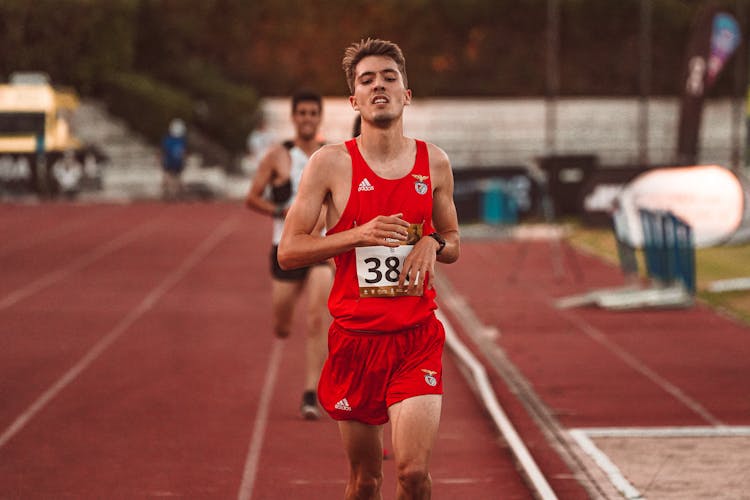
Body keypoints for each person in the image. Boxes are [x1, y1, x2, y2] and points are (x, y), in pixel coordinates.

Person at [278, 39, 460, 499]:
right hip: (355, 343)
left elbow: (454, 240)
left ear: (407, 93)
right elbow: (289, 251)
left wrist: (433, 244)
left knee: (413, 475)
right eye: (367, 80)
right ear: (354, 100)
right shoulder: (329, 164)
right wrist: (357, 235)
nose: (379, 85)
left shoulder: (434, 162)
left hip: (415, 339)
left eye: (389, 77)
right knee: (365, 482)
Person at [244, 90, 333, 420]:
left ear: (319, 117)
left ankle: (311, 393)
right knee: (283, 324)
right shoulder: (277, 156)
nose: (307, 119)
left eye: (313, 113)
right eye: (302, 113)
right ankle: (282, 321)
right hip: (285, 248)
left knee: (316, 319)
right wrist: (278, 210)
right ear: (294, 117)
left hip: (321, 248)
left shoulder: (331, 156)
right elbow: (252, 197)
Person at [161, 118, 187, 200]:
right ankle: (174, 194)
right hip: (174, 161)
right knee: (175, 178)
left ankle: (171, 194)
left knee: (170, 178)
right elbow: (182, 152)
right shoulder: (180, 140)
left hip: (171, 161)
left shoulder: (169, 140)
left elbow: (164, 151)